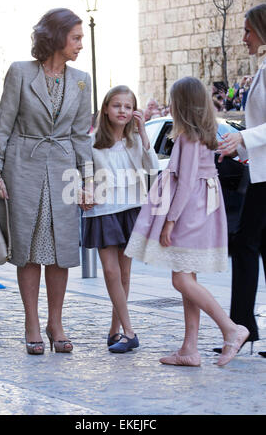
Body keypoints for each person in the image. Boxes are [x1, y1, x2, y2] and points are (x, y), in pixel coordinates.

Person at [0, 8, 93, 355]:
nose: (80, 44)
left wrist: (89, 181)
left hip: (61, 171)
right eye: (75, 37)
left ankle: (55, 323)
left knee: (60, 252)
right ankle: (32, 322)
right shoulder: (20, 72)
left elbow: (81, 136)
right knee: (28, 250)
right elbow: (3, 124)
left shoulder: (81, 79)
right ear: (56, 37)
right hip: (22, 167)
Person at [125, 77, 249, 367]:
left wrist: (170, 221)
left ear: (181, 105)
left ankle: (231, 329)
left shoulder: (189, 139)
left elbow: (186, 182)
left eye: (172, 100)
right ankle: (189, 349)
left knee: (180, 278)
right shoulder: (200, 135)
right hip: (199, 209)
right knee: (188, 277)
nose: (169, 104)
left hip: (190, 212)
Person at [82, 85, 159, 353]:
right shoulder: (91, 143)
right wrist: (86, 189)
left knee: (125, 273)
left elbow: (152, 169)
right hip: (103, 211)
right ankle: (129, 331)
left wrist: (144, 133)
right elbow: (85, 176)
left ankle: (115, 329)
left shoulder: (135, 140)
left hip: (131, 208)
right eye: (117, 106)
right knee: (110, 271)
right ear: (105, 108)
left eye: (128, 106)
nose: (122, 111)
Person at [216, 3, 266, 358]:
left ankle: (241, 326)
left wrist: (244, 139)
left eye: (248, 30)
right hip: (261, 174)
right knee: (254, 247)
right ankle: (243, 326)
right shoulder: (263, 67)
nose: (243, 37)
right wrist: (240, 145)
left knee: (245, 245)